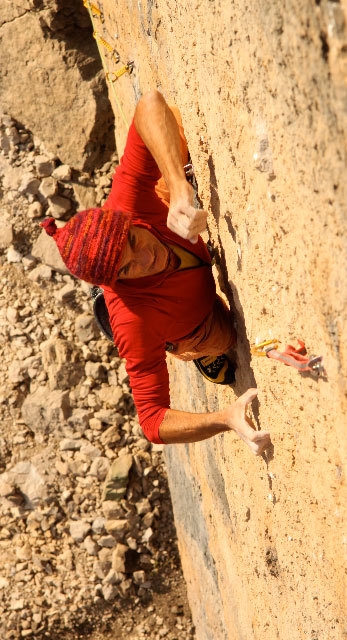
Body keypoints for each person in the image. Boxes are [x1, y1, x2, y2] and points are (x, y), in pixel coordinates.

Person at [41, 90, 271, 455]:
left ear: (125, 221)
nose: (144, 258)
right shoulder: (133, 320)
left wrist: (179, 187)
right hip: (195, 327)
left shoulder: (126, 203)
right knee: (224, 340)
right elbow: (151, 420)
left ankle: (176, 185)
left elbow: (150, 104)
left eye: (132, 240)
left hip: (175, 235)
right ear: (115, 284)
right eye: (127, 269)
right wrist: (224, 418)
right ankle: (199, 356)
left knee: (171, 130)